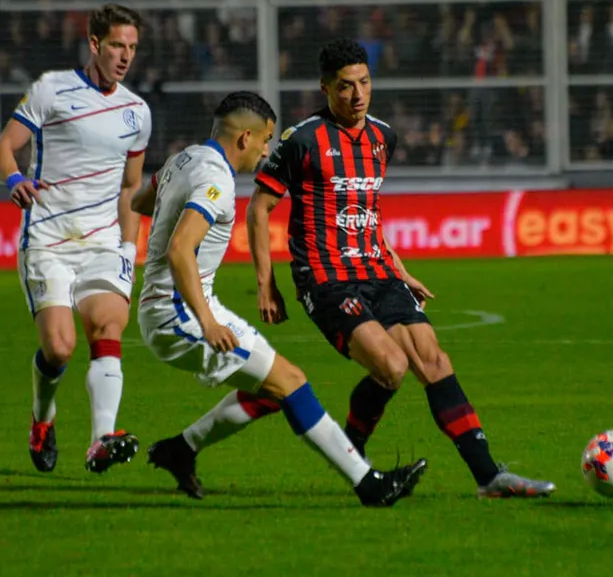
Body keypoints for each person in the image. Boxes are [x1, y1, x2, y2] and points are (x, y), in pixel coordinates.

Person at [246, 37, 555, 499]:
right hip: (326, 276)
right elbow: (258, 208)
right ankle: (353, 450)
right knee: (391, 368)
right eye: (346, 86)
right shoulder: (303, 140)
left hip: (379, 270)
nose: (358, 95)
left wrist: (398, 266)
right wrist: (266, 285)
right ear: (326, 88)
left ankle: (489, 476)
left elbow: (368, 211)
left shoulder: (381, 137)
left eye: (365, 83)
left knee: (433, 360)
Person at [131, 91, 427, 506]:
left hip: (179, 307)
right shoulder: (215, 177)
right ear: (244, 138)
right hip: (180, 314)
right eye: (265, 139)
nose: (267, 150)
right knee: (292, 384)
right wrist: (207, 322)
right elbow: (180, 250)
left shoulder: (186, 158)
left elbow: (140, 201)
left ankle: (180, 449)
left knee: (270, 390)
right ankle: (369, 485)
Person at [0, 4, 151, 474]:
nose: (126, 56)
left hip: (104, 242)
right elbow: (4, 147)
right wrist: (13, 180)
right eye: (118, 46)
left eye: (133, 48)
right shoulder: (51, 90)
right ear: (95, 43)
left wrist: (128, 249)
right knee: (59, 347)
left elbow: (129, 188)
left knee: (108, 325)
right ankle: (43, 418)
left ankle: (102, 438)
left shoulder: (137, 112)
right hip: (47, 239)